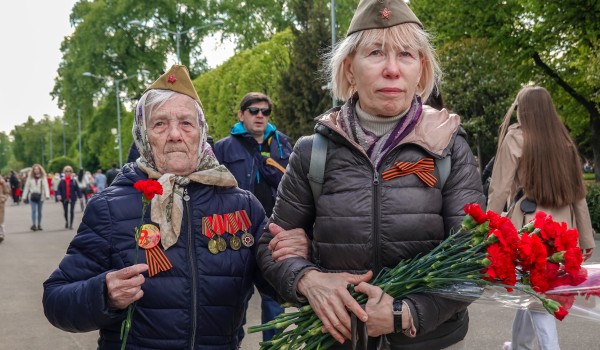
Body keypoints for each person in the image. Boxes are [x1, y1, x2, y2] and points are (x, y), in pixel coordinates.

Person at [257, 1, 485, 349]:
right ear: (350, 69)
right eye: (376, 53)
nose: (392, 69)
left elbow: (473, 258)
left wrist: (405, 314)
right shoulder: (312, 152)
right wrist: (306, 278)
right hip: (339, 339)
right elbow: (270, 247)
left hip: (429, 341)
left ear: (421, 69)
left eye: (406, 55)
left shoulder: (449, 147)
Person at [43, 64, 275, 349]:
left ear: (201, 132)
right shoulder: (109, 207)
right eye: (160, 124)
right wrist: (103, 294)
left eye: (187, 123)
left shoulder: (243, 206)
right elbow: (56, 299)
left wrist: (301, 264)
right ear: (142, 135)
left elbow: (278, 282)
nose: (175, 134)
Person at [487, 86, 596, 350]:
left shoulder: (517, 137)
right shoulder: (564, 141)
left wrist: (486, 229)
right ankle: (518, 345)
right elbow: (578, 195)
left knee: (538, 295)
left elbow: (500, 188)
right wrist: (585, 237)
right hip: (563, 229)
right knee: (535, 292)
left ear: (524, 109)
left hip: (531, 229)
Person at [213, 92, 292, 341]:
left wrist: (275, 174)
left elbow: (295, 185)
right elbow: (212, 190)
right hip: (235, 232)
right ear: (241, 114)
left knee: (274, 300)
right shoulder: (223, 147)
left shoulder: (282, 143)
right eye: (253, 111)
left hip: (273, 231)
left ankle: (273, 346)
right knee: (234, 299)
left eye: (265, 112)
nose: (260, 116)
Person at [22, 164, 51, 231]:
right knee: (33, 211)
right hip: (32, 196)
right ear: (33, 170)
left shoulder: (43, 177)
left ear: (40, 170)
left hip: (40, 197)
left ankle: (39, 224)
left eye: (37, 169)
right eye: (35, 169)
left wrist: (47, 195)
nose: (36, 170)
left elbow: (46, 186)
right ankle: (34, 224)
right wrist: (24, 197)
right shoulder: (30, 177)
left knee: (39, 211)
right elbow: (26, 187)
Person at [56, 165, 81, 230]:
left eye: (69, 171)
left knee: (72, 211)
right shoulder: (62, 180)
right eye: (66, 171)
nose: (68, 172)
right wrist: (58, 195)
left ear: (71, 172)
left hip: (72, 198)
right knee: (65, 211)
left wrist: (80, 197)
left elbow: (77, 189)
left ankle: (71, 225)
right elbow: (59, 189)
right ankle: (67, 221)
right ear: (64, 172)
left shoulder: (74, 180)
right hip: (64, 198)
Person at [0, 175, 9, 242]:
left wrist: (3, 198)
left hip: (0, 203)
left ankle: (1, 234)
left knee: (0, 220)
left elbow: (6, 192)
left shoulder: (2, 183)